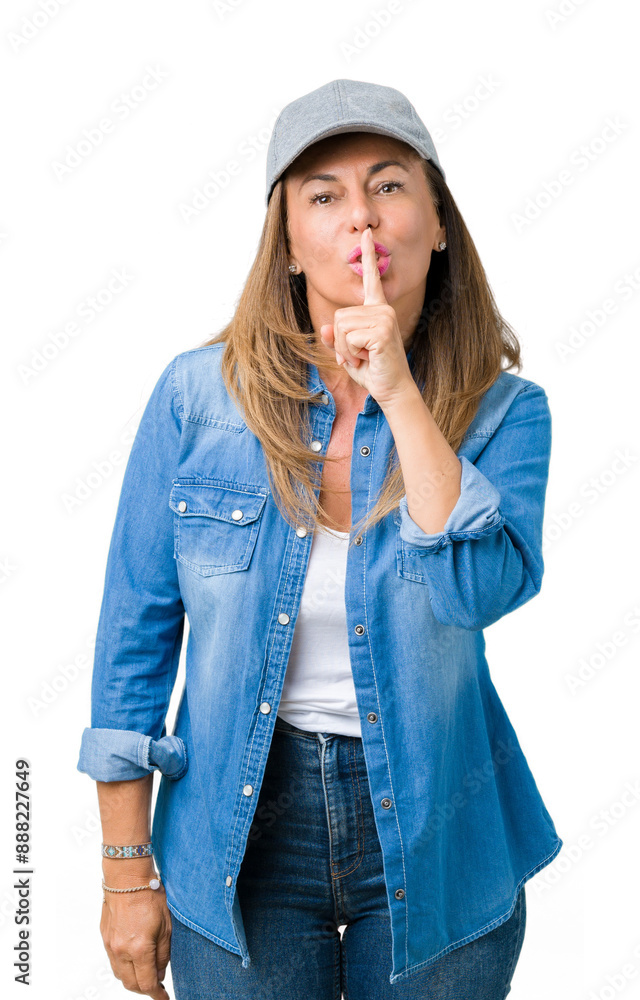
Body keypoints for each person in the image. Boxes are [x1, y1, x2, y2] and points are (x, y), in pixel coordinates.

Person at [77, 78, 563, 999]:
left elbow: (477, 592)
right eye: (324, 195)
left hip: (438, 832)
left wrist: (400, 394)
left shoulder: (508, 414)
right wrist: (124, 871)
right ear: (289, 242)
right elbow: (133, 641)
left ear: (438, 222)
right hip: (238, 830)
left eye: (388, 187)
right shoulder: (197, 399)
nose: (360, 219)